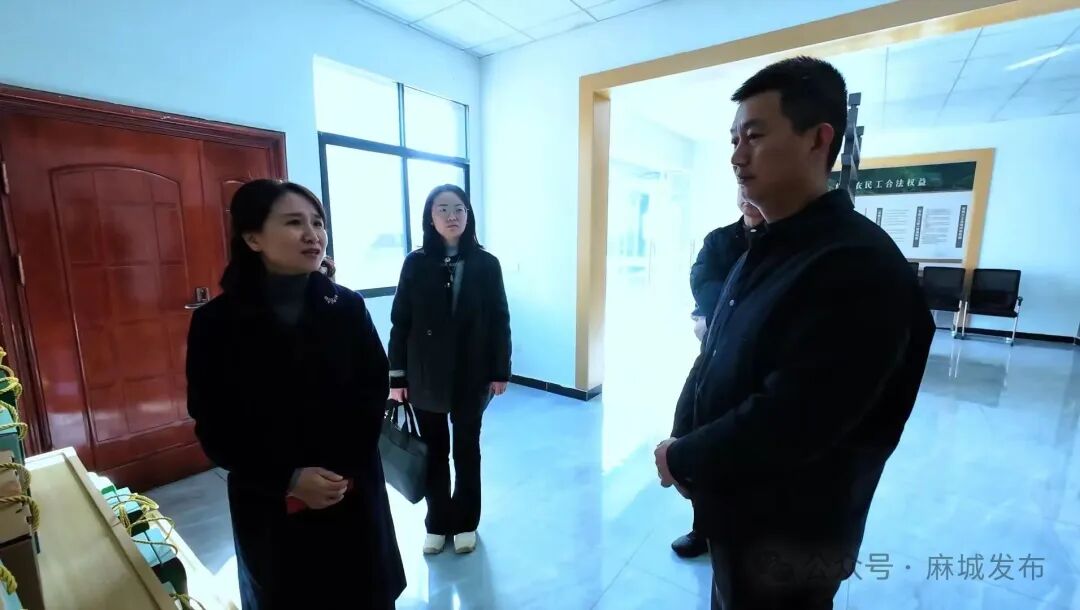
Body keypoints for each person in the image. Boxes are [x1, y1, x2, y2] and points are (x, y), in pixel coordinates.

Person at [654, 57, 934, 610]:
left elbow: (794, 418)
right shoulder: (766, 247)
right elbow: (716, 355)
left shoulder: (856, 264)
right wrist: (686, 442)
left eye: (755, 136)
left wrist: (683, 457)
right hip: (737, 511)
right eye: (734, 139)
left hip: (792, 536)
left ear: (817, 139)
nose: (737, 156)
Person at [186, 179, 405, 609]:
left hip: (351, 490)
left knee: (364, 593)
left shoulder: (346, 307)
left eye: (317, 222)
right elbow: (214, 424)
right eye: (293, 223)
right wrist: (288, 478)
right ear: (253, 238)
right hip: (271, 503)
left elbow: (372, 392)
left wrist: (338, 474)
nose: (313, 234)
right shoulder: (217, 323)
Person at [388, 184, 512, 556]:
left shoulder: (486, 264)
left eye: (458, 208)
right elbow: (400, 322)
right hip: (426, 374)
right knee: (434, 451)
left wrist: (500, 370)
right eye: (442, 209)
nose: (451, 216)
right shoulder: (415, 262)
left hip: (471, 373)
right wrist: (397, 378)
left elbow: (499, 319)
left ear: (468, 215)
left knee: (467, 451)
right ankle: (438, 522)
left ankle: (466, 522)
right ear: (430, 217)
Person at [672, 191, 765, 559]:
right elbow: (701, 279)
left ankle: (737, 531)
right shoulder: (720, 240)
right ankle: (702, 528)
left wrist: (727, 316)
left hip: (754, 361)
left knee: (738, 444)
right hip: (713, 353)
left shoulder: (781, 242)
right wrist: (723, 314)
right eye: (742, 190)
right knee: (692, 424)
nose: (748, 197)